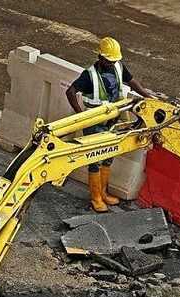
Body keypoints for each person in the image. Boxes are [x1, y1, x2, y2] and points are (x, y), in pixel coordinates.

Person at [65, 36, 152, 213]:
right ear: (101, 57)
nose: (113, 64)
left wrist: (145, 94)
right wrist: (80, 114)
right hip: (94, 124)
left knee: (108, 157)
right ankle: (96, 197)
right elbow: (70, 91)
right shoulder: (89, 76)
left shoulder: (118, 66)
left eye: (115, 61)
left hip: (112, 121)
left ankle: (103, 193)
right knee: (95, 159)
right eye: (109, 61)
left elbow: (131, 80)